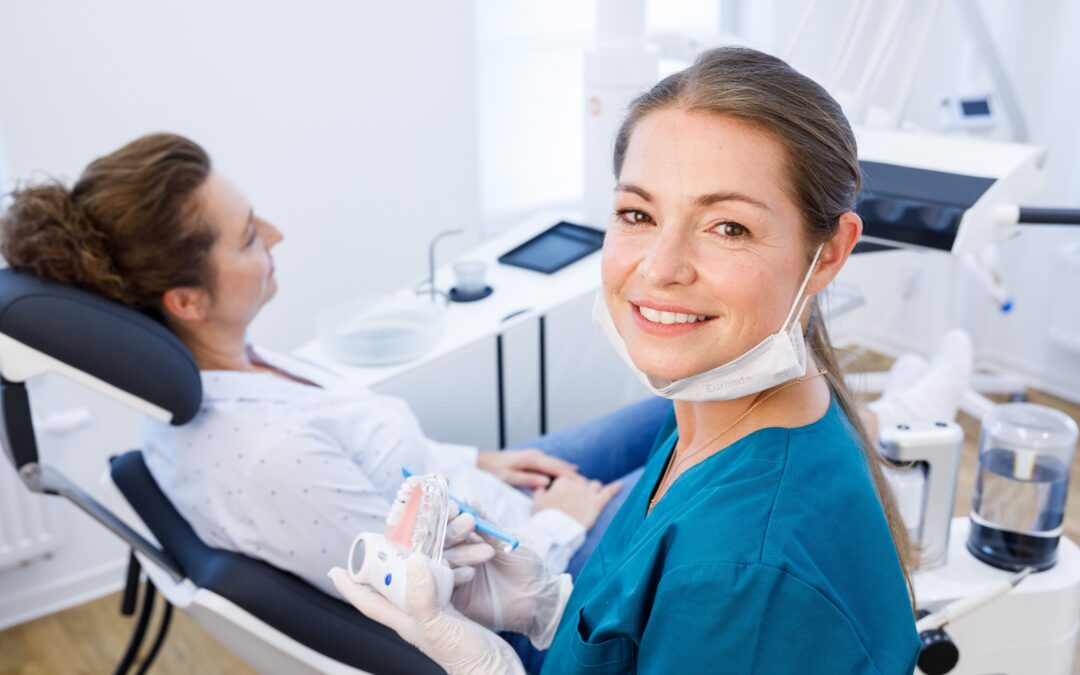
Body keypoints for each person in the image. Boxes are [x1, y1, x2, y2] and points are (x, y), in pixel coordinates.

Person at [330, 46, 924, 674]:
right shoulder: (707, 406)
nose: (660, 268)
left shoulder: (745, 573)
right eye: (638, 214)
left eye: (727, 227)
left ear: (829, 254)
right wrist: (550, 609)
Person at [0, 132, 648, 596]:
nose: (276, 235)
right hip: (534, 576)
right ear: (186, 300)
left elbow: (386, 467)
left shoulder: (229, 367)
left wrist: (477, 461)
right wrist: (561, 519)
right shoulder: (266, 455)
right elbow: (435, 597)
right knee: (727, 465)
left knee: (673, 411)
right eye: (250, 235)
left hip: (480, 496)